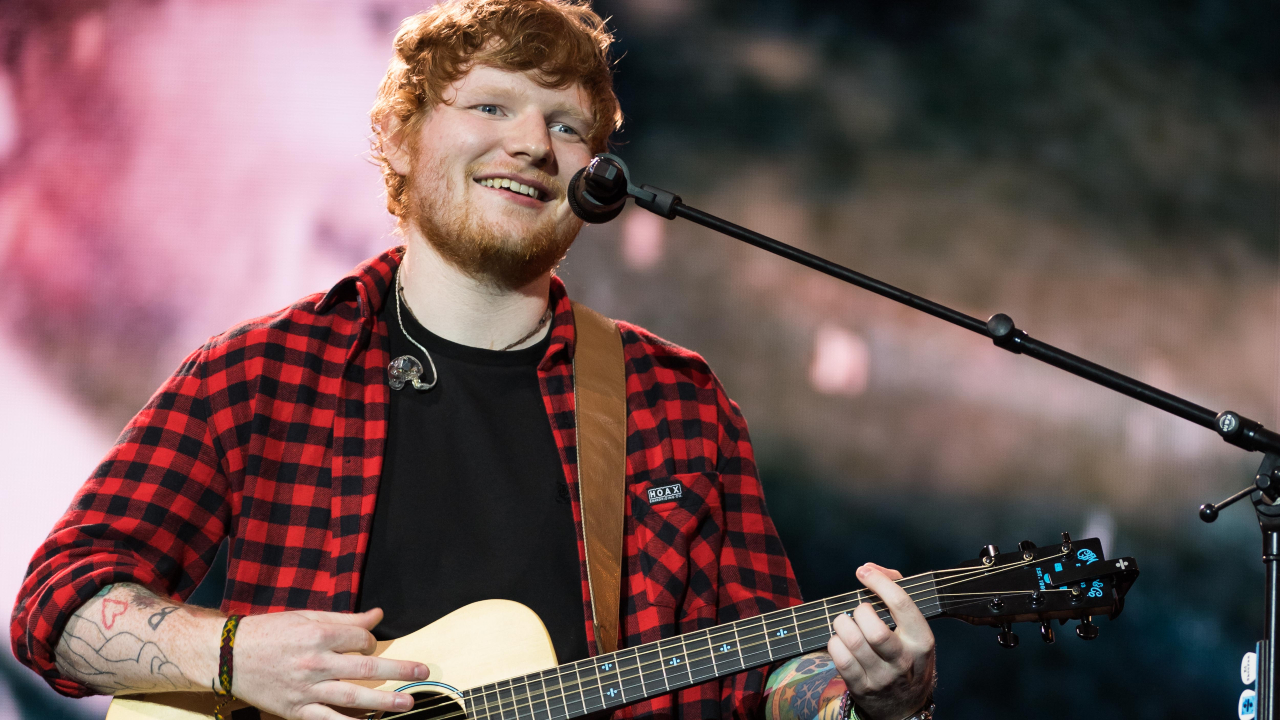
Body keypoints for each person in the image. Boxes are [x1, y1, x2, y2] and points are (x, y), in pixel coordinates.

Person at [9, 2, 936, 720]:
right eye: (492, 104)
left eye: (567, 127)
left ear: (596, 185)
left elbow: (767, 683)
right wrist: (231, 657)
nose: (533, 143)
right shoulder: (259, 373)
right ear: (404, 144)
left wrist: (875, 694)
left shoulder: (675, 403)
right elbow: (58, 604)